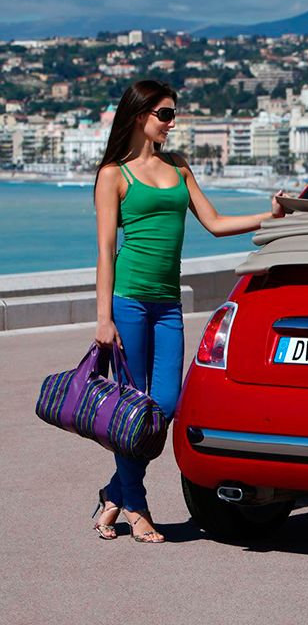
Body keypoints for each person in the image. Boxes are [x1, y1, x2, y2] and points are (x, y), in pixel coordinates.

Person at [92, 80, 287, 543]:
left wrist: (271, 217)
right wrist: (103, 318)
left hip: (167, 303)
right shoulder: (113, 175)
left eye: (173, 113)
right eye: (164, 114)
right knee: (132, 408)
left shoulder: (178, 167)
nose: (172, 122)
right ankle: (136, 506)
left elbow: (216, 224)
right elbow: (103, 249)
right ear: (140, 116)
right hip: (129, 301)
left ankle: (113, 492)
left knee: (164, 405)